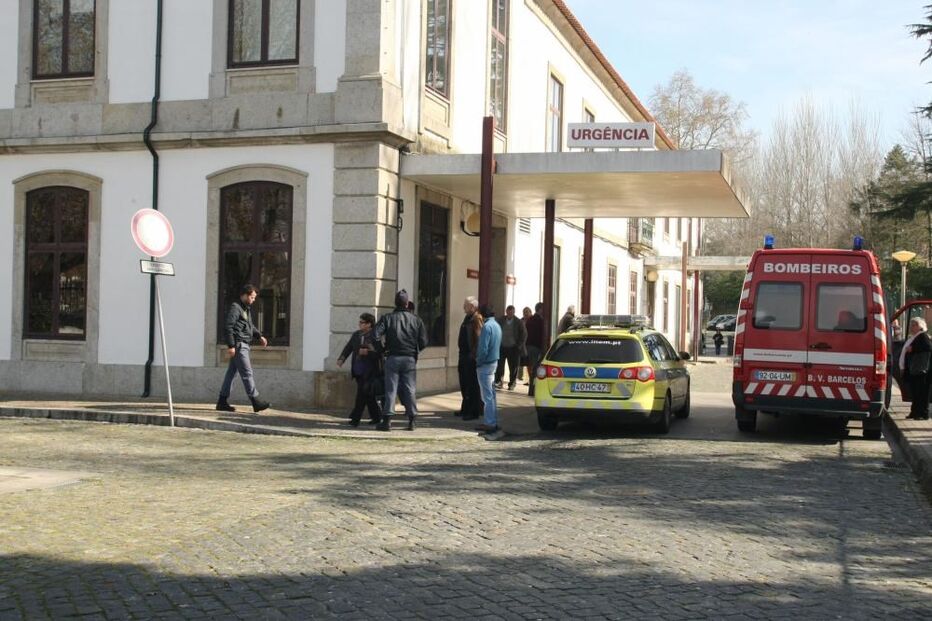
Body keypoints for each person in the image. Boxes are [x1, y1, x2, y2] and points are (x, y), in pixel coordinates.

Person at [373, 290, 428, 431]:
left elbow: (375, 335)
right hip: (409, 358)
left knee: (391, 389)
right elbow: (423, 341)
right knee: (410, 389)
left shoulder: (387, 318)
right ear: (407, 303)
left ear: (395, 303)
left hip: (393, 357)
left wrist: (381, 349)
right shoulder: (416, 320)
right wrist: (415, 350)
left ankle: (387, 420)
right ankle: (412, 420)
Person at [216, 284, 271, 413]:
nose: (253, 300)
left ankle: (222, 401)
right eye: (252, 297)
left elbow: (250, 326)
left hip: (242, 344)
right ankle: (255, 401)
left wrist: (259, 336)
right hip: (239, 345)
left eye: (254, 297)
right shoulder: (236, 308)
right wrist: (231, 345)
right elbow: (229, 326)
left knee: (231, 374)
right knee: (247, 373)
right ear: (245, 295)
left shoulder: (245, 309)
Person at [336, 312, 382, 427]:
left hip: (370, 371)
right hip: (358, 370)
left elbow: (379, 353)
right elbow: (348, 347)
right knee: (368, 395)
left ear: (369, 324)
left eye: (362, 322)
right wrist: (342, 359)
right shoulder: (356, 335)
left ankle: (355, 419)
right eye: (359, 322)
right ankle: (377, 417)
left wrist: (368, 352)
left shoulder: (375, 336)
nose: (359, 324)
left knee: (362, 394)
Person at [475, 304, 504, 440]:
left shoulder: (487, 327)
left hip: (486, 364)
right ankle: (492, 420)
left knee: (487, 396)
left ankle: (490, 423)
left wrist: (478, 361)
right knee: (491, 395)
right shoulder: (497, 325)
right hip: (494, 362)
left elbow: (483, 348)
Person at [457, 296, 483, 421]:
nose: (464, 307)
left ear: (472, 307)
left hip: (470, 356)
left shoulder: (476, 319)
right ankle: (465, 408)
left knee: (472, 385)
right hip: (463, 354)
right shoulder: (467, 318)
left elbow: (478, 339)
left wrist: (474, 355)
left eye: (466, 305)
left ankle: (473, 411)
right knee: (464, 383)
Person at [902, 317, 932, 420]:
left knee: (921, 393)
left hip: (921, 371)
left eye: (914, 325)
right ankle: (914, 412)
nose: (911, 327)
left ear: (920, 326)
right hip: (915, 370)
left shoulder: (923, 336)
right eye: (911, 325)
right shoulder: (915, 337)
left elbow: (928, 347)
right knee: (915, 393)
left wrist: (913, 348)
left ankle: (921, 413)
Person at [495, 305, 527, 390]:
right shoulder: (501, 320)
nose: (509, 314)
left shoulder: (518, 322)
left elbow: (524, 334)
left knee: (513, 367)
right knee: (500, 365)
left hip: (513, 348)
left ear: (514, 312)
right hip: (502, 346)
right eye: (508, 312)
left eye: (511, 313)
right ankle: (499, 381)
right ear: (506, 312)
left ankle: (512, 383)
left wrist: (519, 345)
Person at [525, 302, 546, 397]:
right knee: (535, 369)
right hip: (536, 347)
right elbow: (541, 334)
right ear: (540, 309)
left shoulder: (530, 319)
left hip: (529, 346)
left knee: (532, 368)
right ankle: (533, 390)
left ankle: (532, 389)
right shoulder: (540, 320)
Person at [518, 306, 533, 383]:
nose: (525, 314)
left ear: (531, 313)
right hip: (522, 345)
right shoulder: (521, 321)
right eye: (524, 312)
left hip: (530, 344)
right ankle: (521, 377)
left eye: (527, 312)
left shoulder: (533, 321)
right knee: (523, 362)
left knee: (530, 363)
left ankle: (531, 379)